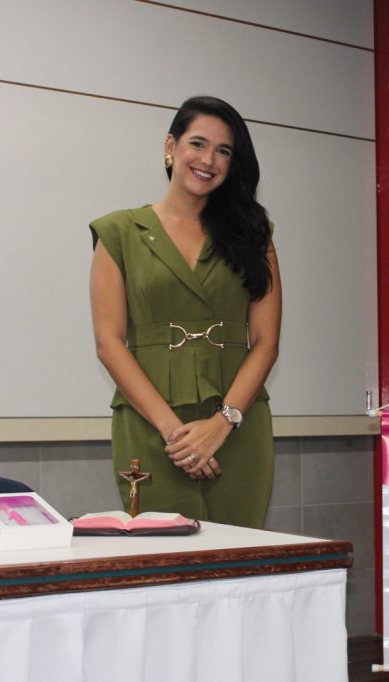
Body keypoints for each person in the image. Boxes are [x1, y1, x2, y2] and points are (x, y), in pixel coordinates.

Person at [88, 96, 281, 529]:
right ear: (170, 147)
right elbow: (108, 343)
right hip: (151, 427)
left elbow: (266, 341)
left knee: (240, 555)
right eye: (198, 143)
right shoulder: (118, 232)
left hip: (237, 425)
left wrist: (222, 424)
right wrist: (178, 436)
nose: (208, 160)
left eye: (223, 150)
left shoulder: (254, 235)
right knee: (163, 555)